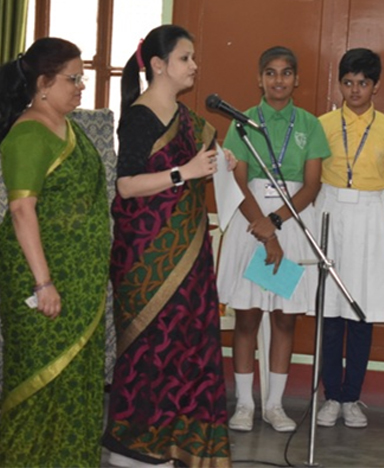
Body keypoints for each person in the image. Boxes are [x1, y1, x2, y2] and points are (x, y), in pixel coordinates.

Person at [102, 24, 232, 468]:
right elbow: (126, 185)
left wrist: (220, 161)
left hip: (189, 256)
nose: (194, 66)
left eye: (193, 58)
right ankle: (133, 448)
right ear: (158, 65)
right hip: (147, 259)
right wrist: (185, 172)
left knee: (185, 348)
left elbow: (199, 164)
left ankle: (174, 443)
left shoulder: (189, 120)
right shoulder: (140, 116)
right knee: (150, 349)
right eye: (185, 58)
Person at [0, 38, 110, 467]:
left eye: (82, 78)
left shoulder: (68, 127)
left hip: (80, 281)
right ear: (44, 83)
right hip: (41, 279)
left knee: (77, 379)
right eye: (73, 79)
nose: (81, 87)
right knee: (39, 379)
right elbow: (22, 209)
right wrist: (43, 283)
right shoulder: (28, 134)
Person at [217, 46, 330, 433]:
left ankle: (275, 405)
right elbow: (238, 180)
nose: (278, 80)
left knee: (284, 318)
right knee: (247, 317)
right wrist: (263, 229)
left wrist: (276, 222)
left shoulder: (309, 124)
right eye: (270, 72)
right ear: (259, 78)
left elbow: (311, 185)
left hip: (292, 222)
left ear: (296, 79)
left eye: (285, 73)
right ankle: (244, 404)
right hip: (250, 222)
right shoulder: (243, 122)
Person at [315, 48, 384, 429]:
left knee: (362, 311)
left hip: (371, 216)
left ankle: (351, 396)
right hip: (330, 210)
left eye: (363, 83)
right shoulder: (323, 124)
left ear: (376, 86)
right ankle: (331, 396)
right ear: (340, 85)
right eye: (348, 82)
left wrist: (372, 198)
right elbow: (310, 175)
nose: (355, 90)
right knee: (330, 310)